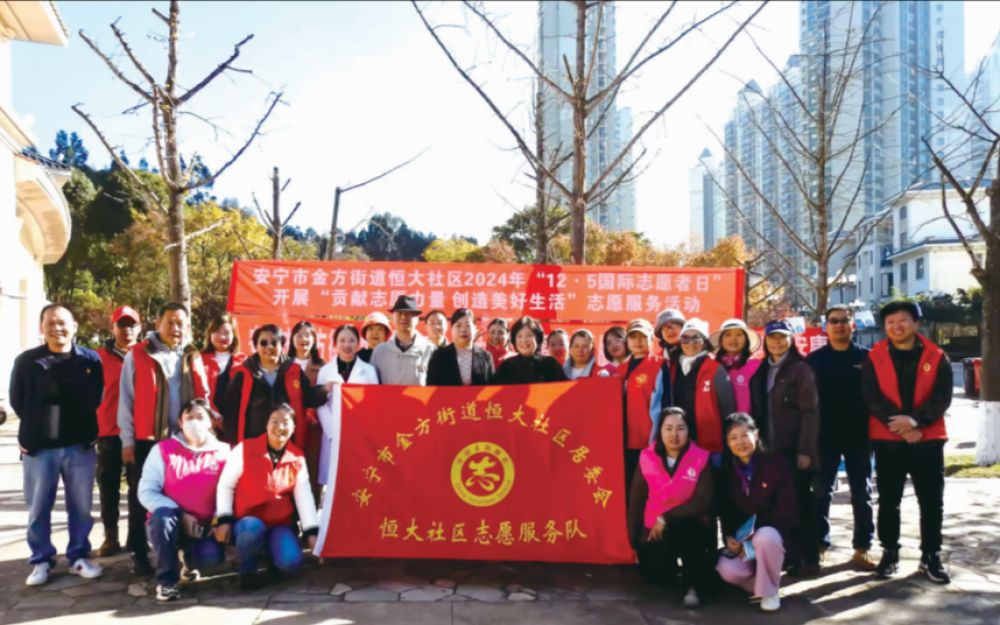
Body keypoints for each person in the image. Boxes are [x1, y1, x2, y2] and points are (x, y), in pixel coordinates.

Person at [10, 304, 104, 586]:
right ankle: (41, 560)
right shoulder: (27, 361)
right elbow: (18, 401)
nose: (57, 328)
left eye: (62, 322)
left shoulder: (90, 360)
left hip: (80, 446)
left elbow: (96, 398)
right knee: (38, 507)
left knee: (81, 507)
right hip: (40, 449)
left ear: (74, 326)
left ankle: (78, 556)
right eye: (50, 323)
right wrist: (34, 430)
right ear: (42, 327)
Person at [861, 300, 953, 584]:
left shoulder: (937, 356)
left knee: (931, 501)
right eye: (890, 322)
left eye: (902, 320)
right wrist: (901, 426)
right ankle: (890, 552)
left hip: (928, 439)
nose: (896, 327)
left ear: (916, 323)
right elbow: (871, 397)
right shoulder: (874, 356)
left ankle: (931, 555)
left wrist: (915, 421)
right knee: (889, 500)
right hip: (888, 441)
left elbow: (942, 396)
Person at [119, 302, 210, 576]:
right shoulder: (138, 354)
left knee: (185, 495)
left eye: (181, 323)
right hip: (148, 438)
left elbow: (204, 396)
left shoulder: (192, 355)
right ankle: (139, 552)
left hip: (185, 440)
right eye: (170, 322)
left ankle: (182, 553)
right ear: (157, 324)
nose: (175, 328)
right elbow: (126, 400)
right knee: (141, 496)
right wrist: (127, 440)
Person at [214, 405, 319, 590]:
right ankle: (247, 571)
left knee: (291, 562)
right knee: (251, 529)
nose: (280, 427)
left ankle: (272, 557)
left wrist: (312, 533)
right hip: (248, 522)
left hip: (279, 523)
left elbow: (304, 496)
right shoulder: (244, 449)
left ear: (294, 427)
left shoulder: (297, 457)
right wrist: (224, 518)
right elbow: (225, 485)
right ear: (266, 425)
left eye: (286, 422)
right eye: (274, 421)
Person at [138, 399, 230, 602]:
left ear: (211, 421)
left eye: (200, 417)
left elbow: (231, 492)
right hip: (170, 522)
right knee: (162, 519)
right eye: (189, 417)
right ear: (180, 422)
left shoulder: (225, 452)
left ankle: (187, 561)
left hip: (205, 527)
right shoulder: (162, 450)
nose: (194, 422)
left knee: (211, 558)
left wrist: (218, 520)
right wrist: (181, 514)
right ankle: (167, 582)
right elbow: (146, 491)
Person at [806, 305, 876, 571]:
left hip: (860, 437)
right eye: (833, 321)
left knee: (862, 494)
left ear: (853, 325)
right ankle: (819, 545)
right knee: (821, 492)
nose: (839, 325)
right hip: (824, 438)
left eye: (844, 321)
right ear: (826, 327)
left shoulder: (867, 358)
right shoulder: (814, 360)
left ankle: (862, 547)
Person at [749, 319, 820, 576]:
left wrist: (805, 451)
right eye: (772, 337)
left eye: (782, 337)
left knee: (801, 503)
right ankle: (786, 557)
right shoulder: (760, 370)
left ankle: (808, 558)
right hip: (769, 451)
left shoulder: (801, 369)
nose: (777, 342)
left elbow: (811, 412)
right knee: (777, 506)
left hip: (794, 450)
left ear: (791, 340)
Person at [627, 407, 715, 608]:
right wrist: (633, 539)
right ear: (660, 431)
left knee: (688, 533)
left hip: (690, 525)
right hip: (655, 531)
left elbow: (703, 500)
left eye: (680, 428)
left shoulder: (701, 457)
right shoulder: (647, 457)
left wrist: (666, 517)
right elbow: (637, 499)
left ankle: (693, 587)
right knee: (657, 576)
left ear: (689, 431)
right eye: (668, 428)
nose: (674, 435)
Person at [716, 413, 798, 612]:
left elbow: (786, 510)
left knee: (766, 536)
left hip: (773, 537)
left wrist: (751, 543)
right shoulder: (727, 472)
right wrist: (729, 537)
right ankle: (764, 582)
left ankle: (769, 592)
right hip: (743, 542)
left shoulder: (776, 464)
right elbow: (727, 513)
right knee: (726, 570)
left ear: (756, 434)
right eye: (733, 437)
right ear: (727, 443)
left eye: (745, 435)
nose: (740, 442)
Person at [219, 324, 326, 448]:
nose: (269, 347)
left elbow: (309, 398)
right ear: (256, 346)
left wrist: (325, 390)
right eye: (263, 343)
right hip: (253, 444)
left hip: (286, 444)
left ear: (282, 345)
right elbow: (231, 411)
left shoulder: (294, 372)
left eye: (274, 343)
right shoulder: (243, 373)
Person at [94, 305, 141, 557]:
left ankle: (136, 536)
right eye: (122, 325)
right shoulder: (97, 358)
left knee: (138, 487)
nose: (127, 330)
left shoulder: (146, 355)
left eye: (132, 325)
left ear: (139, 328)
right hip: (108, 432)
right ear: (113, 328)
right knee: (108, 486)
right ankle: (110, 537)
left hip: (139, 432)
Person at [651, 319, 734, 457]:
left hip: (708, 442)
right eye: (685, 338)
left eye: (696, 338)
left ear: (705, 342)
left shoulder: (715, 369)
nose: (690, 343)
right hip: (676, 441)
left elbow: (728, 409)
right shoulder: (671, 367)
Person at [316, 325, 379, 495]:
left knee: (358, 480)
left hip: (359, 434)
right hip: (332, 434)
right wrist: (332, 430)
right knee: (333, 483)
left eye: (351, 340)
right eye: (342, 340)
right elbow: (320, 403)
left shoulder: (369, 370)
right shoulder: (325, 370)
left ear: (358, 344)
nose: (347, 345)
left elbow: (374, 403)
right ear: (335, 344)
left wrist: (362, 429)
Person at [619, 319, 663, 493]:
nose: (638, 341)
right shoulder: (620, 369)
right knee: (626, 487)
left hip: (647, 439)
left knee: (646, 489)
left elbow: (663, 402)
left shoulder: (659, 365)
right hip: (623, 440)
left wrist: (657, 437)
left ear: (651, 339)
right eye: (633, 337)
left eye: (643, 337)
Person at [287, 320, 326, 503]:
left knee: (312, 467)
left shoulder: (323, 366)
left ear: (315, 339)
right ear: (292, 339)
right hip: (288, 425)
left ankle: (312, 509)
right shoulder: (284, 364)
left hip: (314, 426)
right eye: (299, 335)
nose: (304, 339)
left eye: (308, 335)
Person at [370, 295, 436, 386]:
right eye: (399, 313)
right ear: (393, 317)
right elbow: (371, 385)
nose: (403, 317)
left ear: (417, 319)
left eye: (409, 313)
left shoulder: (430, 349)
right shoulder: (380, 351)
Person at [426, 309, 495, 386]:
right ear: (452, 329)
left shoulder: (486, 356)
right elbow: (431, 386)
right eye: (458, 326)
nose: (463, 330)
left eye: (468, 325)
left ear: (475, 328)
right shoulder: (439, 356)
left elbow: (491, 387)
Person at [493, 316, 568, 384]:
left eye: (529, 335)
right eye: (519, 336)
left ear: (537, 338)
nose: (524, 340)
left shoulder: (550, 364)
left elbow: (563, 388)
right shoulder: (507, 366)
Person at [710, 318, 762, 414]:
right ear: (721, 340)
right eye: (728, 335)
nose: (733, 339)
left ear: (746, 339)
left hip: (746, 421)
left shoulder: (755, 365)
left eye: (739, 335)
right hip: (717, 421)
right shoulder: (712, 366)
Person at [201, 313, 246, 410]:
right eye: (217, 331)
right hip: (206, 413)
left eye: (227, 332)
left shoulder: (243, 361)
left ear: (234, 335)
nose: (222, 337)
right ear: (210, 334)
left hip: (234, 415)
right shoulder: (199, 360)